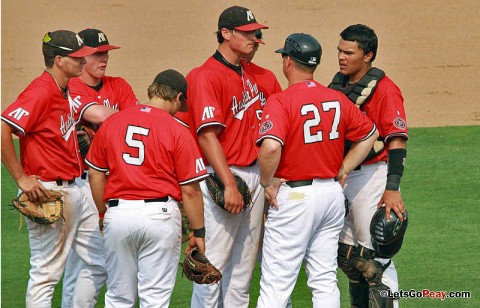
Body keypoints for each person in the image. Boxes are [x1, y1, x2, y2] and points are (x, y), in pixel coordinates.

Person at [255, 32, 379, 308]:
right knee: (324, 279)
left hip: (296, 199)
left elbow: (271, 148)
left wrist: (266, 183)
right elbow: (370, 133)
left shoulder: (281, 101)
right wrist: (344, 167)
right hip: (331, 196)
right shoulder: (335, 97)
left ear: (288, 61)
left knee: (276, 282)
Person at [1, 30, 106, 308]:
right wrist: (21, 178)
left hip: (77, 189)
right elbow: (3, 127)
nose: (84, 62)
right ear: (59, 60)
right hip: (48, 192)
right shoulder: (40, 90)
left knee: (100, 260)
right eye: (77, 58)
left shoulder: (65, 88)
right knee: (45, 274)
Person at [85, 69, 208, 307]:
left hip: (118, 215)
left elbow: (94, 174)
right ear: (178, 97)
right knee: (155, 299)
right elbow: (191, 191)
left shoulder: (113, 122)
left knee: (118, 297)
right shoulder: (177, 130)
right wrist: (198, 232)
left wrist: (103, 212)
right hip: (159, 217)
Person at [182, 5, 272, 307]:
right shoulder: (206, 75)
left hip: (255, 175)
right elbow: (207, 135)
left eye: (254, 32)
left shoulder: (248, 74)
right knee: (212, 266)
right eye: (246, 33)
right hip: (224, 175)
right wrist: (229, 183)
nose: (253, 38)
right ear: (226, 33)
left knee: (243, 271)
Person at [328, 24, 408, 308]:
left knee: (376, 259)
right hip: (342, 178)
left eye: (349, 52)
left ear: (368, 55)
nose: (341, 56)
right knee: (351, 259)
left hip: (372, 177)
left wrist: (392, 188)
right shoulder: (338, 84)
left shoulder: (385, 90)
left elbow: (397, 141)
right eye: (340, 50)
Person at [61, 28, 139, 308]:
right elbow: (99, 114)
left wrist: (104, 128)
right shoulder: (72, 87)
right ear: (82, 56)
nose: (103, 59)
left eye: (106, 53)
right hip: (83, 183)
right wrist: (119, 120)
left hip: (105, 180)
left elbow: (132, 122)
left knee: (80, 265)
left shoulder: (119, 84)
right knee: (97, 261)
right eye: (97, 54)